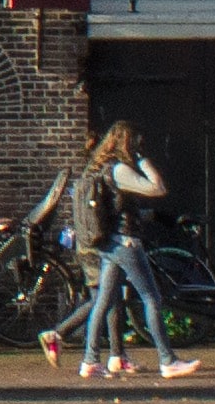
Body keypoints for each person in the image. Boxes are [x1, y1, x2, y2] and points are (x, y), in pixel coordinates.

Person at [35, 123, 196, 382]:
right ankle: (168, 360)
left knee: (102, 301)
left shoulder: (98, 169)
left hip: (108, 244)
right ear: (127, 144)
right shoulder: (118, 170)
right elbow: (157, 188)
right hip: (126, 243)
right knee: (151, 297)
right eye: (134, 144)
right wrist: (144, 161)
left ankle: (90, 361)